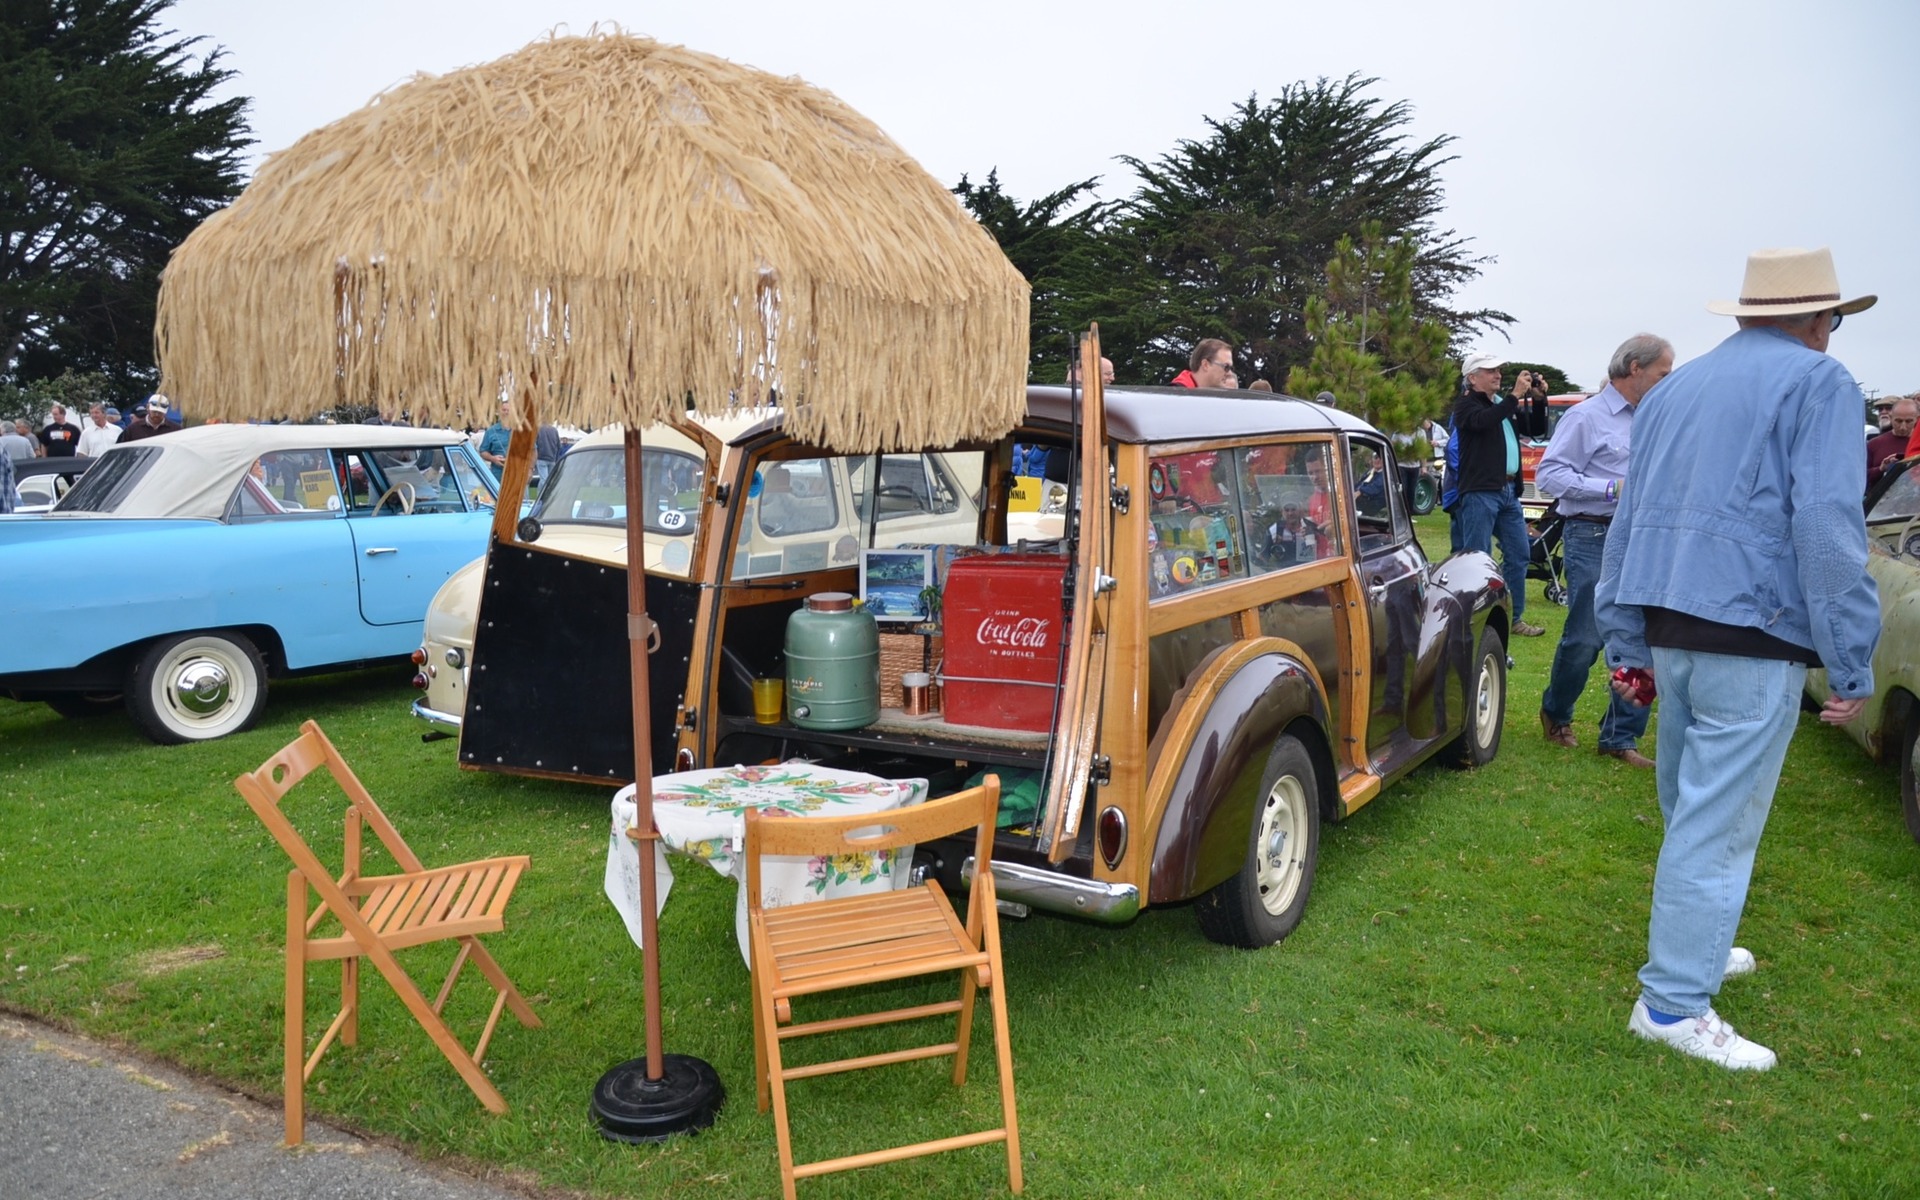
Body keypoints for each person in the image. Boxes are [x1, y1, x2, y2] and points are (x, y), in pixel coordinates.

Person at [1597, 247, 1880, 1071]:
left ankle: (1697, 949)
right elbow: (1828, 526)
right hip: (1750, 631)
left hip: (1668, 622)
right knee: (1715, 825)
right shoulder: (1820, 382)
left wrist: (1623, 634)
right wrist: (1851, 658)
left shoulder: (1672, 388)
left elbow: (1629, 518)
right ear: (1818, 318)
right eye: (1833, 319)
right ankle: (1673, 1005)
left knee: (1691, 809)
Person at [1535, 334, 1673, 768]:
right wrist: (1613, 488)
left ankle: (1620, 736)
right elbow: (1550, 476)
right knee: (1587, 636)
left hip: (1647, 538)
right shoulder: (1586, 418)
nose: (1667, 381)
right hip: (1593, 533)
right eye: (1662, 373)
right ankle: (1557, 713)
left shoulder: (1659, 417)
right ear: (1635, 367)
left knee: (1645, 636)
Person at [1450, 354, 1547, 637]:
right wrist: (1514, 396)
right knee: (1479, 557)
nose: (1498, 375)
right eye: (1490, 370)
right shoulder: (1466, 406)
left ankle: (1513, 618)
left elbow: (1536, 429)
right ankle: (1475, 620)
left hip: (1507, 491)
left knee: (1519, 554)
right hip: (1480, 490)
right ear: (1472, 377)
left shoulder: (1502, 406)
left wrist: (1538, 400)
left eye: (1499, 370)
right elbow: (1482, 422)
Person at [1865, 396, 1914, 487]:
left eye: (1908, 421)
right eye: (1898, 421)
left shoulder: (1917, 442)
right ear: (1891, 418)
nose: (1903, 427)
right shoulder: (1873, 444)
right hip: (1879, 499)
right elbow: (1861, 477)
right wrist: (1881, 469)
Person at [478, 400, 513, 478]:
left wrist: (530, 469)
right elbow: (483, 451)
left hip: (518, 473)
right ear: (499, 412)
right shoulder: (491, 431)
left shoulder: (521, 431)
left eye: (509, 410)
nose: (506, 413)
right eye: (504, 410)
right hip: (498, 474)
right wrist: (493, 458)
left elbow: (532, 450)